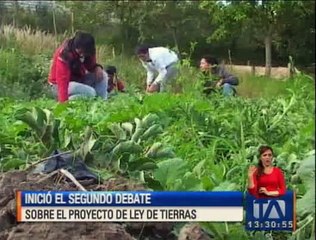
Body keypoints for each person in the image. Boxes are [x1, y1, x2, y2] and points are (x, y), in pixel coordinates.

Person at [48, 31, 108, 103]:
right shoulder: (64, 53)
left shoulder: (89, 50)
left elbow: (91, 67)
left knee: (103, 75)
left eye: (84, 53)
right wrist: (63, 102)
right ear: (76, 47)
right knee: (91, 93)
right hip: (58, 85)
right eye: (80, 52)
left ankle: (101, 102)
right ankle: (67, 102)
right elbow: (62, 81)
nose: (82, 55)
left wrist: (98, 67)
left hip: (78, 80)